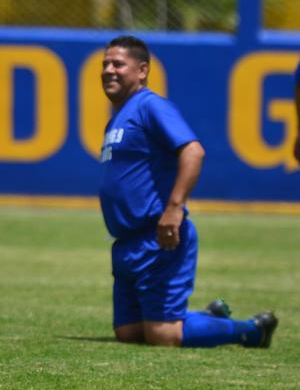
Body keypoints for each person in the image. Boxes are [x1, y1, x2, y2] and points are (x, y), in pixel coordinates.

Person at [99, 35, 278, 349]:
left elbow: (193, 152)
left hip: (158, 236)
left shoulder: (151, 105)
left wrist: (174, 208)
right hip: (127, 243)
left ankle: (250, 330)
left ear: (142, 70)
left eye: (118, 64)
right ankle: (209, 317)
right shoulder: (118, 117)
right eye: (105, 64)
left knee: (163, 335)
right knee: (129, 333)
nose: (108, 70)